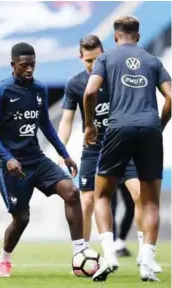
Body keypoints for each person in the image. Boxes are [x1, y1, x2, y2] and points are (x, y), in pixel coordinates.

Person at [0, 42, 91, 278]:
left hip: (36, 158)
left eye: (33, 65)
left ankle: (79, 254)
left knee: (72, 193)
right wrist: (8, 158)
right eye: (24, 65)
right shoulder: (1, 90)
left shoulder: (39, 89)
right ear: (13, 65)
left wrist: (65, 154)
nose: (30, 70)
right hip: (10, 163)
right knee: (22, 218)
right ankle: (4, 259)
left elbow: (45, 125)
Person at [57, 35, 161, 271]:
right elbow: (66, 120)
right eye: (88, 61)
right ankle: (81, 254)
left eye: (97, 59)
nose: (93, 65)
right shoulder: (75, 84)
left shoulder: (118, 78)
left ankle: (145, 255)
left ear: (104, 54)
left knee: (139, 196)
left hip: (122, 145)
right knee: (86, 201)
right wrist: (61, 150)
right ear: (81, 58)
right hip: (93, 149)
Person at [83, 16, 171, 282]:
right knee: (151, 200)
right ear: (139, 36)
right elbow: (171, 97)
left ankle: (109, 254)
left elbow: (89, 93)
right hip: (149, 129)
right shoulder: (153, 61)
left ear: (115, 36)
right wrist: (159, 124)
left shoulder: (106, 58)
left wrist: (89, 125)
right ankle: (147, 259)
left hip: (119, 128)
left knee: (102, 195)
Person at [112, 184, 134, 257]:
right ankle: (112, 243)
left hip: (127, 174)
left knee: (131, 206)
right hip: (111, 173)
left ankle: (120, 242)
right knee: (110, 208)